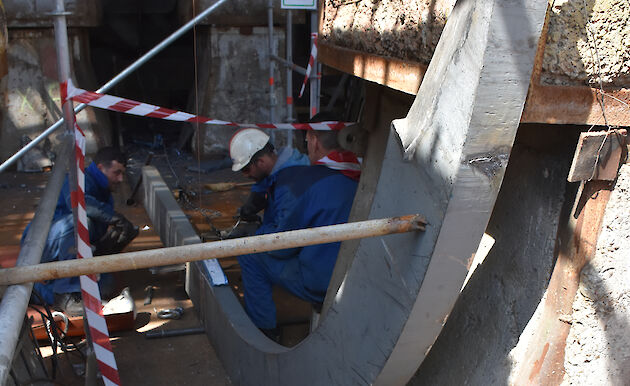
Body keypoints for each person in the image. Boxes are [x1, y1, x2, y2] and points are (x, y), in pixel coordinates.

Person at [232, 127, 359, 338]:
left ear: (314, 141)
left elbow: (282, 247)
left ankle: (265, 332)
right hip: (356, 272)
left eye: (246, 170)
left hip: (323, 282)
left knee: (250, 255)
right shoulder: (353, 172)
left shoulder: (299, 183)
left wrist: (256, 234)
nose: (247, 175)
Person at [24, 146, 138, 315]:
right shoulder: (76, 180)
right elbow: (79, 204)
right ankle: (65, 295)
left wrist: (109, 244)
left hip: (67, 249)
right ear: (100, 168)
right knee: (79, 221)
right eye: (117, 172)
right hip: (40, 246)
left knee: (106, 286)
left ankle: (39, 291)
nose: (121, 179)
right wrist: (115, 218)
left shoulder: (104, 192)